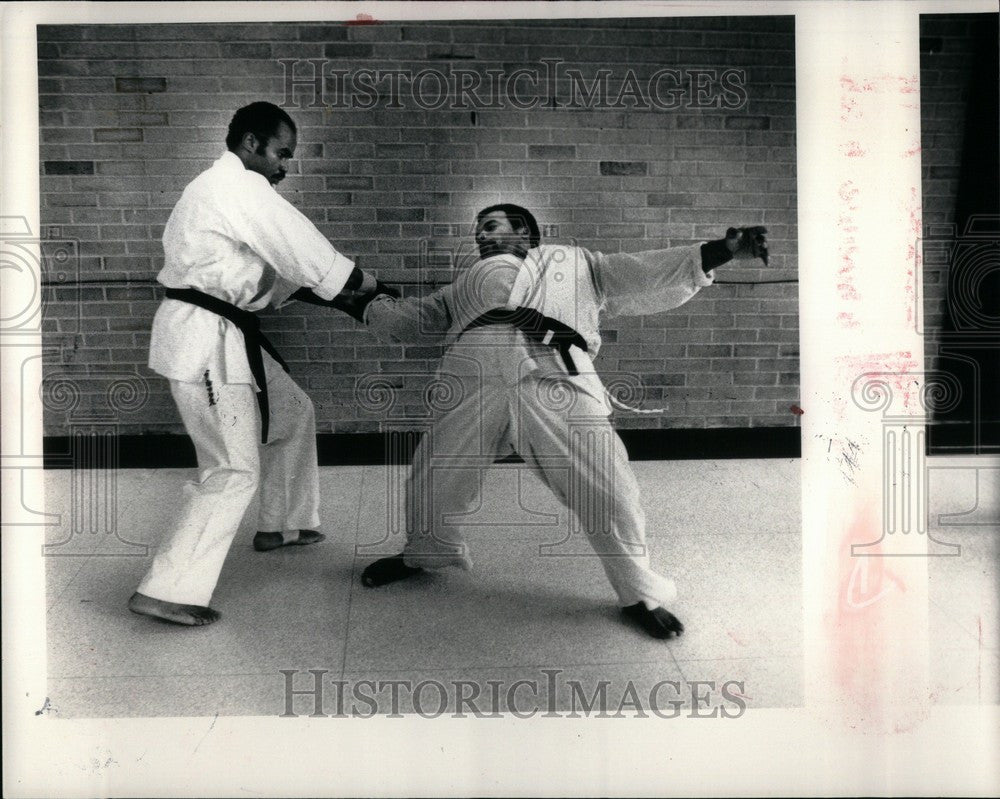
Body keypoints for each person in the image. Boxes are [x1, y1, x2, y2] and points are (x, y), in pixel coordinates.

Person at [342, 204, 767, 639]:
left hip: (556, 376)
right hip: (472, 377)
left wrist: (721, 251)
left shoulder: (576, 263)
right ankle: (424, 553)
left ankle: (639, 591)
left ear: (525, 232)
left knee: (608, 485)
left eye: (490, 227)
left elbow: (644, 270)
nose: (481, 238)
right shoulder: (462, 286)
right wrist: (366, 304)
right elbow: (414, 322)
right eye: (478, 232)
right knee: (434, 475)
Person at [128, 102, 385, 626]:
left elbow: (267, 276)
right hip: (206, 341)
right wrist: (362, 283)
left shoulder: (226, 193)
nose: (284, 166)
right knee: (230, 466)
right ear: (251, 143)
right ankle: (166, 589)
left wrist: (343, 298)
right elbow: (301, 250)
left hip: (225, 332)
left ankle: (282, 524)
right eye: (281, 153)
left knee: (293, 413)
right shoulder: (236, 187)